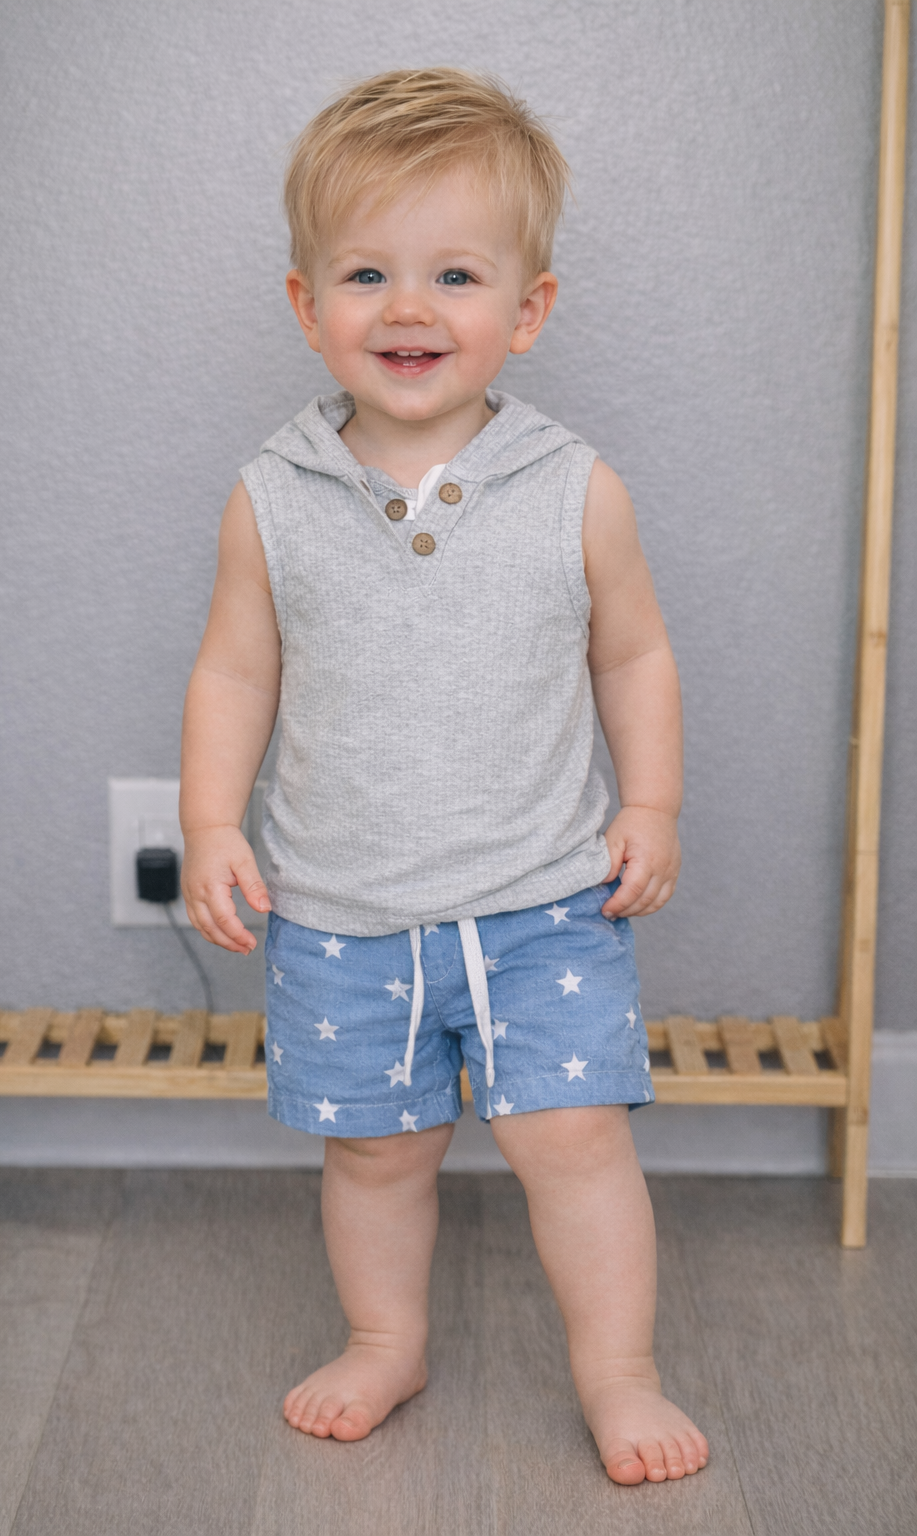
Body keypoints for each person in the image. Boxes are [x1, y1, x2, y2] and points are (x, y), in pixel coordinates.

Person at [179, 68, 708, 1485]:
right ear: (307, 304)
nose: (409, 308)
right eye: (368, 273)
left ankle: (621, 1370)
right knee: (375, 1159)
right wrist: (211, 817)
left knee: (575, 1145)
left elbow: (634, 656)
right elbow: (236, 672)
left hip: (542, 905)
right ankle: (384, 1338)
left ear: (526, 309)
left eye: (455, 274)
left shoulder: (575, 486)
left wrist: (647, 805)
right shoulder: (271, 495)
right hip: (343, 916)